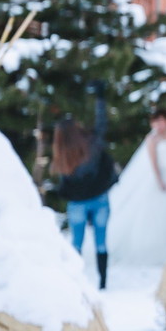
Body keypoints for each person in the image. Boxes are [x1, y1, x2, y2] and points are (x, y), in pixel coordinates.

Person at [106, 109, 166, 268]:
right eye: (155, 122)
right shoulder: (152, 139)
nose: (158, 125)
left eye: (161, 121)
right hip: (162, 177)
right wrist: (159, 180)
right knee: (159, 214)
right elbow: (153, 162)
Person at [52, 116, 118, 290]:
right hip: (99, 200)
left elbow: (65, 183)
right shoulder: (91, 148)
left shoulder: (62, 156)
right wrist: (100, 95)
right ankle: (103, 283)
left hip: (77, 204)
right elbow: (102, 125)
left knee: (76, 243)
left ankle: (77, 279)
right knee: (101, 242)